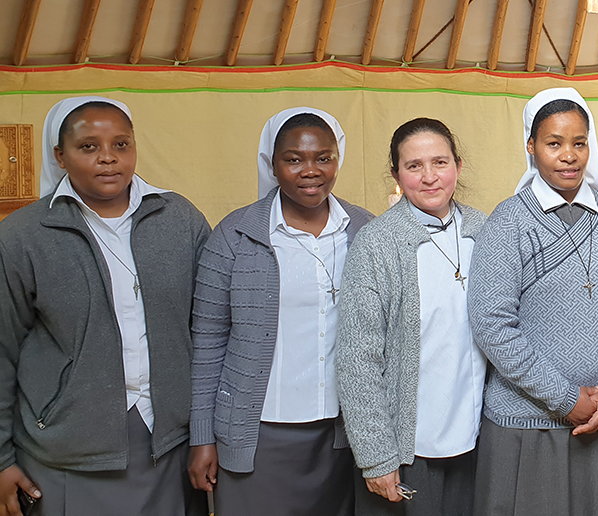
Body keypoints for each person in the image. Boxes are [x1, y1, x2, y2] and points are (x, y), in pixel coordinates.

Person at [0, 96, 210, 516]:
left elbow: (209, 332)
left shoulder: (179, 220)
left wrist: (206, 430)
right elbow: (2, 350)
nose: (108, 159)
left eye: (121, 144)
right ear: (59, 155)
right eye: (88, 147)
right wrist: (2, 459)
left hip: (168, 442)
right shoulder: (23, 236)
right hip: (65, 451)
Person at [467, 87, 598, 516]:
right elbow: (492, 325)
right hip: (527, 426)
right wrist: (565, 399)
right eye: (554, 144)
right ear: (531, 147)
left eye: (579, 143)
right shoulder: (508, 222)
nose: (568, 155)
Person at [187, 107, 373, 516]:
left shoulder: (365, 230)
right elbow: (208, 343)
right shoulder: (234, 236)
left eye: (323, 157)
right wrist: (202, 436)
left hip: (341, 433)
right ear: (272, 165)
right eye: (294, 159)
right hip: (258, 433)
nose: (310, 170)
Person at [336, 117, 487, 516]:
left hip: (475, 438)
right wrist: (376, 457)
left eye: (440, 162)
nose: (429, 177)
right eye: (414, 166)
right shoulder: (376, 243)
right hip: (406, 450)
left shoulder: (484, 230)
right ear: (396, 174)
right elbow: (357, 359)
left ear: (457, 165)